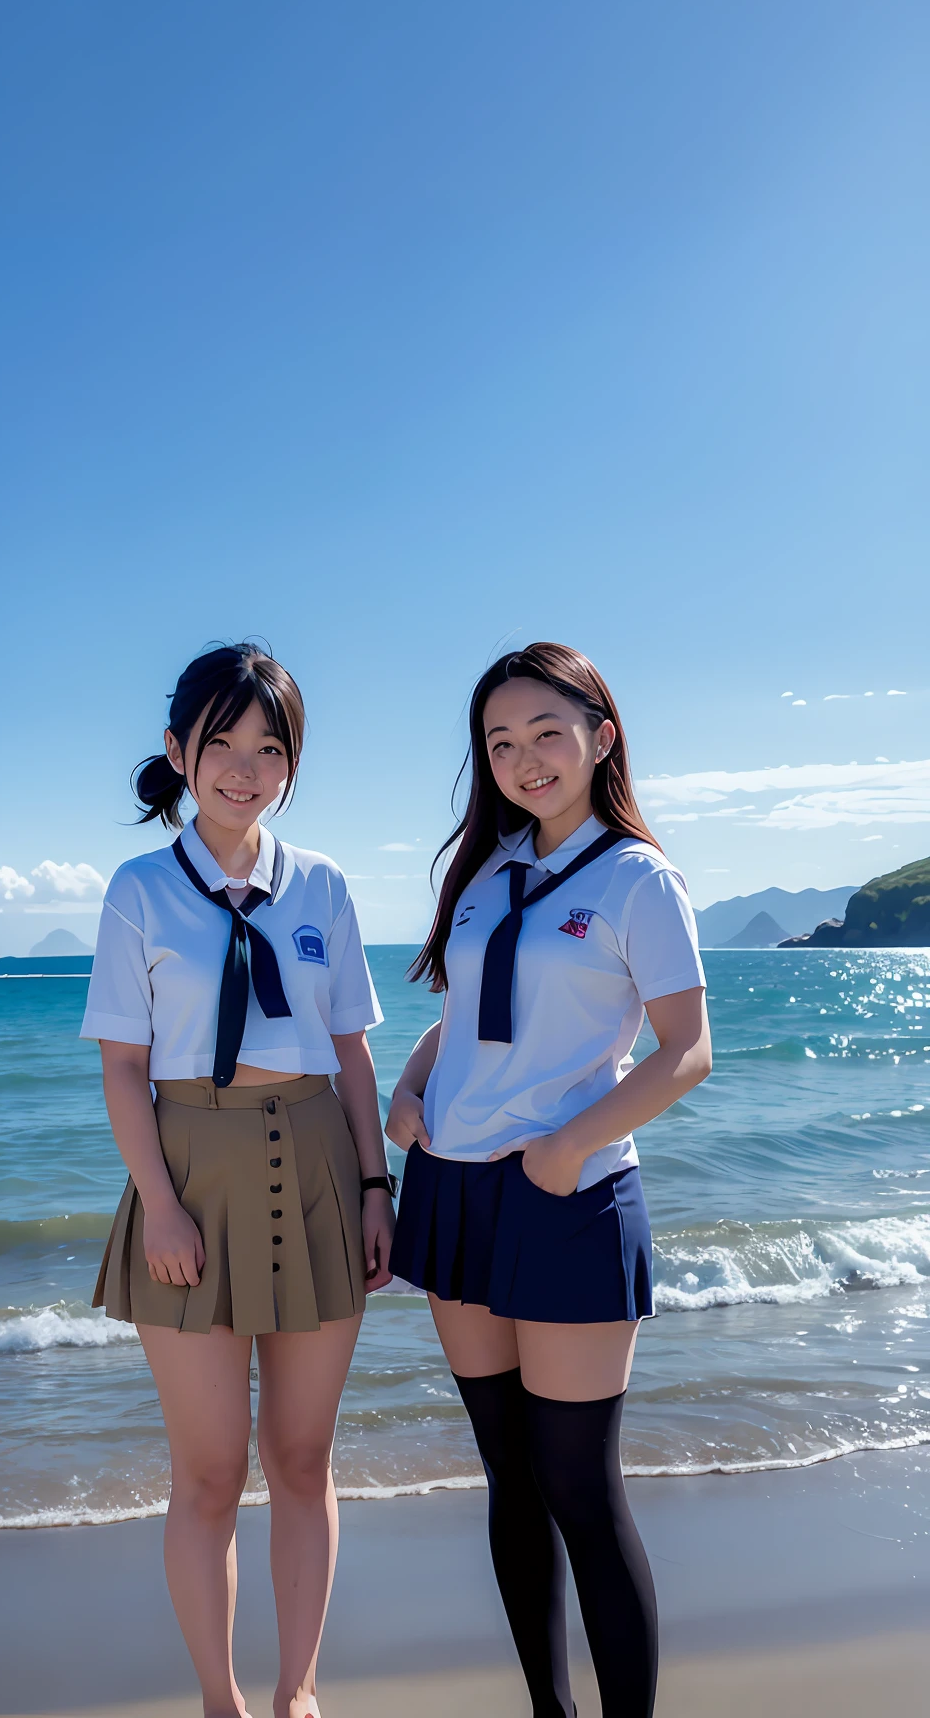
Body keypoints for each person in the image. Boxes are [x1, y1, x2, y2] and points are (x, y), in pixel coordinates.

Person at [387, 643, 710, 1718]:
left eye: (545, 732)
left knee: (579, 1485)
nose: (524, 758)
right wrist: (411, 1083)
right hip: (455, 1187)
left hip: (566, 1197)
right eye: (500, 741)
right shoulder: (489, 869)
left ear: (600, 735)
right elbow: (465, 1009)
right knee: (509, 1478)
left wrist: (569, 1148)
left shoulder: (637, 876)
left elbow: (686, 1048)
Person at [82, 643, 394, 1718]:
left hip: (314, 1162)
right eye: (223, 744)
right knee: (210, 1471)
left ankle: (297, 1690)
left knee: (302, 1456)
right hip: (190, 1174)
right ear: (180, 753)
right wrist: (159, 1203)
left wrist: (373, 1185)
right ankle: (222, 1700)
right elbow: (124, 1068)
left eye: (271, 748)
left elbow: (351, 1053)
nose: (247, 768)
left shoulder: (324, 885)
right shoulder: (138, 891)